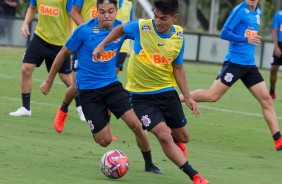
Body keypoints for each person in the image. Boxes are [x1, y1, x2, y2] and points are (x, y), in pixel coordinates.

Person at [40, 0, 163, 175]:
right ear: (96, 11)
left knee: (137, 125)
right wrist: (48, 81)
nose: (107, 16)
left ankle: (149, 163)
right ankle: (79, 113)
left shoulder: (121, 28)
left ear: (116, 11)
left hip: (112, 86)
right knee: (104, 141)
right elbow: (62, 53)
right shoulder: (83, 31)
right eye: (103, 12)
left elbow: (145, 30)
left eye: (111, 11)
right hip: (89, 92)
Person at [93, 0, 209, 183]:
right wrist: (102, 45)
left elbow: (178, 68)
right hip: (140, 97)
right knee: (163, 136)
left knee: (184, 137)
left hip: (166, 92)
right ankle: (195, 175)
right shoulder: (141, 27)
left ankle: (175, 141)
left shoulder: (178, 36)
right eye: (155, 16)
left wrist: (188, 97)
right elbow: (120, 30)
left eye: (163, 18)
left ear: (175, 18)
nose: (157, 21)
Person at [180, 0, 282, 151]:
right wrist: (246, 39)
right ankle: (177, 99)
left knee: (266, 99)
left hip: (249, 65)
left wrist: (249, 37)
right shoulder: (239, 10)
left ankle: (278, 140)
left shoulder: (258, 12)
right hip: (234, 63)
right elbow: (224, 33)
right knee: (212, 96)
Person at [52, 0, 132, 136]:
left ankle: (105, 126)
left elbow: (129, 22)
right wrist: (88, 30)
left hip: (117, 45)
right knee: (77, 85)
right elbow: (73, 10)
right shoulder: (86, 26)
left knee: (109, 85)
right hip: (89, 41)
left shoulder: (128, 3)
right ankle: (63, 109)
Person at [9, 0, 73, 116]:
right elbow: (32, 7)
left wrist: (72, 40)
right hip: (40, 37)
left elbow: (72, 16)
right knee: (26, 69)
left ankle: (81, 107)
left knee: (66, 78)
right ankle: (26, 108)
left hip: (60, 42)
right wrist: (25, 24)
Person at [115, 0, 133, 74]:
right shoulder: (108, 2)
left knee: (115, 72)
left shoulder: (129, 4)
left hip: (124, 45)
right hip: (110, 43)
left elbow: (130, 22)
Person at [269, 10, 282, 99]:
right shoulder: (279, 14)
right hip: (280, 44)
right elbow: (275, 30)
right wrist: (276, 47)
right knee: (274, 68)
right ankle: (272, 91)